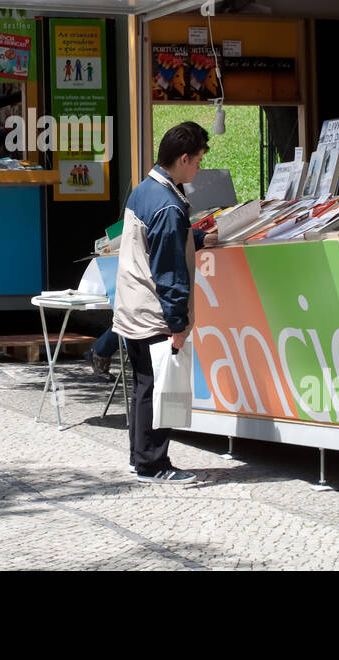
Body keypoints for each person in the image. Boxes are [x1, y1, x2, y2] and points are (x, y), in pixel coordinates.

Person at [112, 121, 218, 485]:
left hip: (131, 306)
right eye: (199, 161)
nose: (200, 168)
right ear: (184, 158)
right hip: (153, 312)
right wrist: (178, 324)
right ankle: (153, 464)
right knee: (161, 386)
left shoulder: (145, 190)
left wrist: (197, 236)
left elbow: (159, 241)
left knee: (145, 385)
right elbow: (169, 271)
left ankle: (139, 458)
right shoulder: (169, 205)